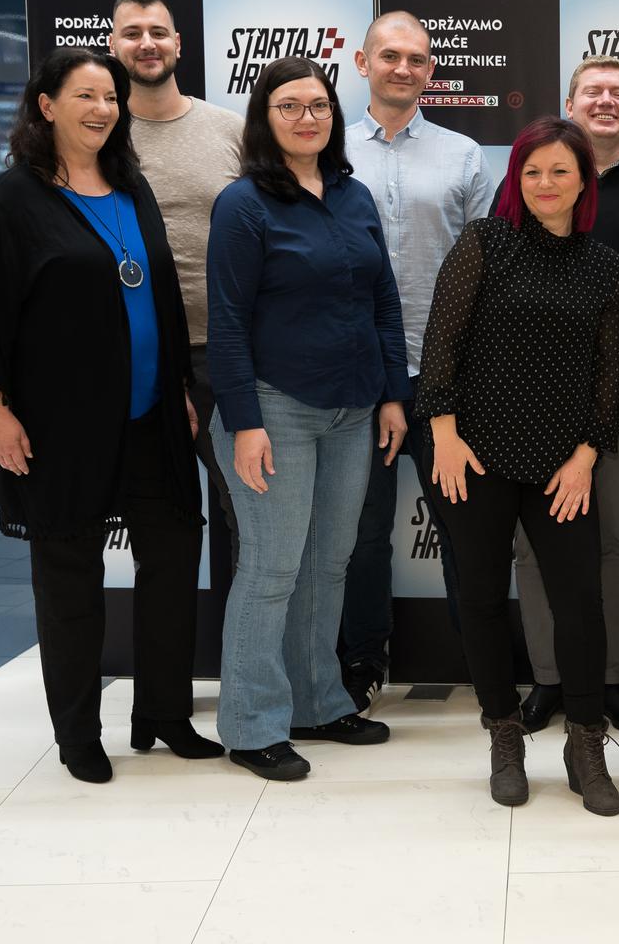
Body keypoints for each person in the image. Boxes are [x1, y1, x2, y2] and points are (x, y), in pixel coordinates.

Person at [0, 48, 219, 783]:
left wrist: (178, 391)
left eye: (110, 97)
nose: (103, 109)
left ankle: (164, 715)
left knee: (172, 556)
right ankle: (77, 735)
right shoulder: (15, 198)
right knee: (69, 577)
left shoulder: (131, 184)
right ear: (46, 106)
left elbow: (160, 299)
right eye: (85, 96)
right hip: (60, 424)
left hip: (151, 414)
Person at [416, 116, 619, 816]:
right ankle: (503, 735)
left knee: (580, 604)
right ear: (516, 179)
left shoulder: (603, 264)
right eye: (531, 171)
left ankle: (585, 743)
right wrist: (443, 434)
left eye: (559, 170)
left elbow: (610, 373)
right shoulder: (486, 242)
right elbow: (441, 341)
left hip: (561, 466)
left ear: (583, 180)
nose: (544, 183)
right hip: (472, 456)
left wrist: (587, 455)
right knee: (479, 597)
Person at [207, 56, 408, 781]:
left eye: (318, 105)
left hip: (354, 409)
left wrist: (392, 394)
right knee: (271, 570)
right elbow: (227, 321)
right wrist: (245, 421)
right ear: (265, 119)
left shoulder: (353, 196)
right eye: (288, 106)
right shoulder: (244, 204)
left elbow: (383, 300)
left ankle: (318, 704)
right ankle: (252, 725)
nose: (306, 117)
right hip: (274, 409)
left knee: (327, 564)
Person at [509, 57, 619, 736]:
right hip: (534, 395)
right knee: (534, 546)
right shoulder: (537, 180)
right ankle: (550, 679)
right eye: (593, 92)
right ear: (570, 103)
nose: (605, 101)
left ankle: (608, 679)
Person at [340, 11, 495, 710]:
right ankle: (361, 664)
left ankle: (486, 671)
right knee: (362, 533)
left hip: (447, 377)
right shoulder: (330, 152)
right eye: (390, 55)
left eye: (417, 59)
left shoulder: (464, 156)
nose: (403, 68)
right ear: (362, 62)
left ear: (431, 71)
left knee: (465, 530)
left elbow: (489, 267)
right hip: (361, 374)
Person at [109, 0, 245, 572]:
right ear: (113, 45)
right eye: (133, 33)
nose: (147, 43)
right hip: (134, 356)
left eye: (158, 32)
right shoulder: (98, 135)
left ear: (179, 44)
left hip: (224, 353)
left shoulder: (232, 130)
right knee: (157, 528)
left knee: (251, 518)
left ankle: (253, 634)